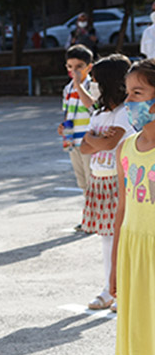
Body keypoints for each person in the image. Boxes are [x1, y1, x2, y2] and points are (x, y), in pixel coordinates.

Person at [109, 58, 155, 355]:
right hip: (135, 252)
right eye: (128, 94)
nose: (130, 103)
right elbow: (122, 210)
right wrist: (114, 267)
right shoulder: (126, 148)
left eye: (138, 93)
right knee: (146, 337)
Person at [77, 55, 134, 312]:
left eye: (96, 81)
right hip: (99, 180)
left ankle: (122, 289)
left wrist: (94, 138)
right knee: (107, 238)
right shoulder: (100, 114)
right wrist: (94, 139)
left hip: (117, 180)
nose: (92, 86)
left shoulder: (124, 114)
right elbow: (84, 147)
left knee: (121, 237)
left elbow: (110, 144)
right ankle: (109, 289)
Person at [59, 44, 99, 231]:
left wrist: (78, 85)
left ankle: (96, 218)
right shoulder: (67, 89)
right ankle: (89, 217)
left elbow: (92, 106)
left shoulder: (92, 85)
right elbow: (67, 112)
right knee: (82, 181)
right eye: (70, 67)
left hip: (88, 141)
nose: (73, 71)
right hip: (72, 140)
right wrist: (63, 127)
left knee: (92, 181)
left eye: (79, 67)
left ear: (89, 67)